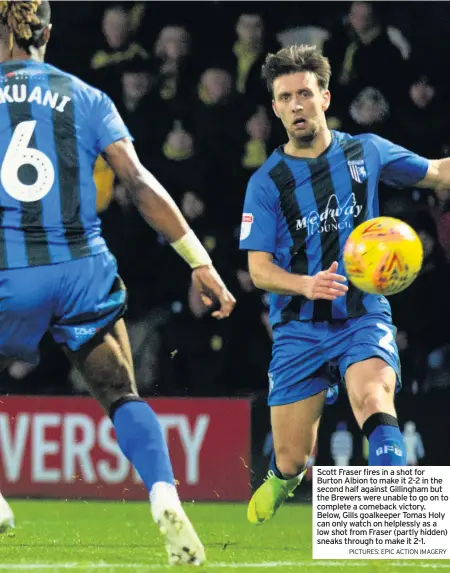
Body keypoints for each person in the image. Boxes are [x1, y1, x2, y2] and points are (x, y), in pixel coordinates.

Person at [0, 1, 236, 565]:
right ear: (48, 34)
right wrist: (199, 262)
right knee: (120, 393)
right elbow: (138, 181)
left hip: (9, 271)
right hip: (82, 272)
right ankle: (163, 495)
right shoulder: (87, 97)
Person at [239, 43, 450, 525]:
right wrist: (306, 285)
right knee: (294, 457)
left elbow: (438, 172)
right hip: (298, 327)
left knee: (374, 398)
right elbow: (258, 271)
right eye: (285, 97)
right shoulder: (267, 182)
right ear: (275, 107)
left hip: (362, 315)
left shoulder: (366, 152)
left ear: (325, 98)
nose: (296, 104)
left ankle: (392, 522)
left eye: (304, 94)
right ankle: (283, 477)